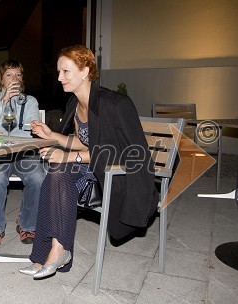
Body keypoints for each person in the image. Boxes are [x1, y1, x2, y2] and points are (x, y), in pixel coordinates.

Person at [19, 45, 158, 279]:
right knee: (58, 170)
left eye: (65, 71)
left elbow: (125, 152)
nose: (59, 77)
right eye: (59, 72)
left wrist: (67, 156)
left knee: (60, 169)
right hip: (90, 170)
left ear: (85, 71)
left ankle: (53, 252)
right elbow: (84, 143)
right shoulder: (75, 104)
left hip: (117, 177)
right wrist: (52, 135)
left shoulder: (115, 104)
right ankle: (57, 250)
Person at [0, 59, 46, 247]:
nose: (14, 78)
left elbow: (31, 130)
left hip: (24, 152)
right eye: (9, 74)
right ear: (1, 78)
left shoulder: (30, 101)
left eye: (18, 74)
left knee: (38, 176)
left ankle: (27, 224)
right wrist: (4, 101)